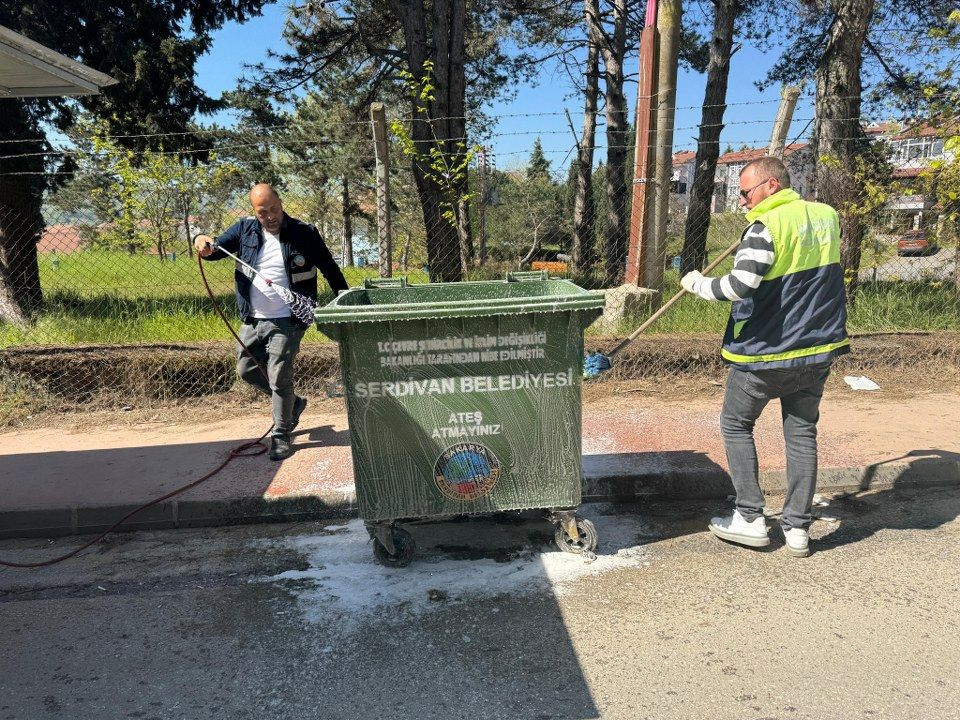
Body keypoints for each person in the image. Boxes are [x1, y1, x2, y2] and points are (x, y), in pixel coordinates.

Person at [679, 156, 850, 557]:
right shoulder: (827, 216)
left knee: (736, 424)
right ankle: (797, 529)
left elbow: (740, 286)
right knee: (802, 432)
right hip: (818, 350)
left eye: (744, 192)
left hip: (767, 354)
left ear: (771, 186)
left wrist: (697, 284)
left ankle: (750, 518)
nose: (741, 201)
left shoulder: (763, 227)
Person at [194, 183, 349, 461]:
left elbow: (330, 268)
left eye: (274, 209)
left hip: (288, 319)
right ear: (255, 211)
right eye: (262, 212)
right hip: (252, 319)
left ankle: (281, 432)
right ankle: (294, 405)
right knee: (246, 370)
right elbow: (215, 250)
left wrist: (345, 299)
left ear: (281, 204)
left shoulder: (304, 233)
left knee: (279, 376)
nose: (270, 216)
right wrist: (201, 241)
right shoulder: (243, 230)